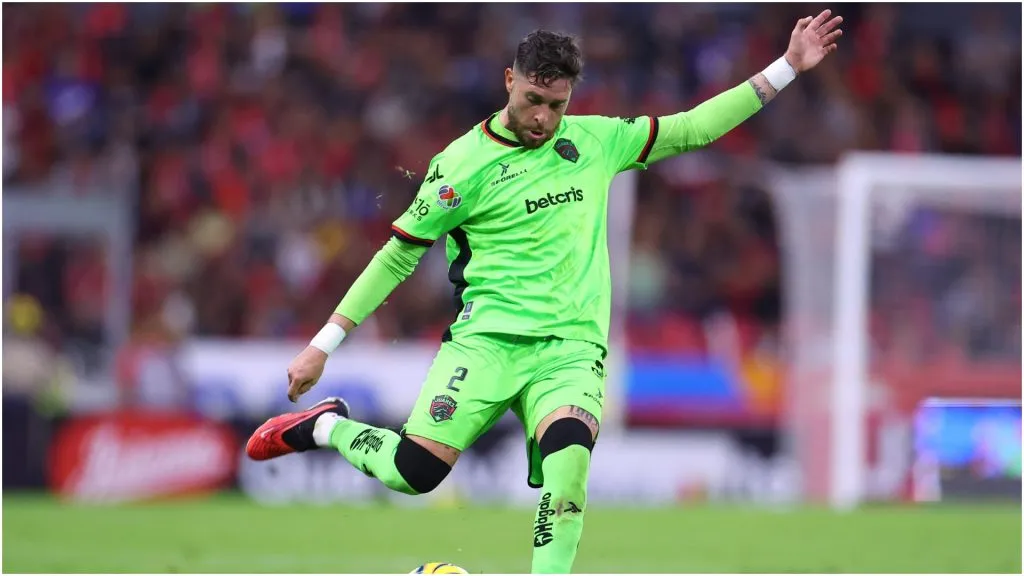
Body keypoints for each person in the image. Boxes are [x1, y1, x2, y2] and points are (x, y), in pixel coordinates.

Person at [246, 10, 842, 573]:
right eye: (533, 100)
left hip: (571, 350)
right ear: (510, 81)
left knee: (569, 468)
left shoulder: (595, 143)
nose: (543, 119)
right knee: (413, 473)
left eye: (557, 105)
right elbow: (398, 256)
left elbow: (691, 129)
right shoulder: (459, 167)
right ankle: (325, 428)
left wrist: (786, 66)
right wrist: (324, 343)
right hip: (485, 344)